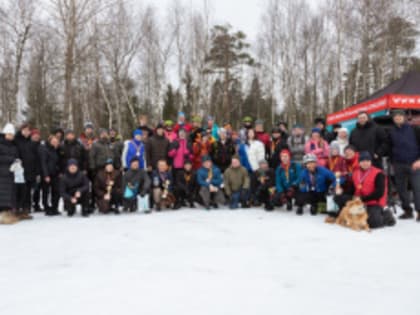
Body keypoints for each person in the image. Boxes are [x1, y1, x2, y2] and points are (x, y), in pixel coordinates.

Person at [333, 152, 396, 228]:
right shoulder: (356, 172)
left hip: (373, 201)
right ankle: (347, 214)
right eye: (363, 161)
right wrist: (342, 190)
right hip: (358, 200)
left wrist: (363, 199)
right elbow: (352, 188)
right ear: (359, 162)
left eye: (367, 161)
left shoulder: (378, 173)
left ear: (371, 162)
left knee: (374, 223)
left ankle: (387, 215)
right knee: (338, 197)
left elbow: (379, 193)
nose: (365, 163)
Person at [388, 110, 420, 221]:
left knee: (417, 188)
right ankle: (407, 211)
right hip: (398, 164)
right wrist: (392, 161)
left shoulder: (415, 129)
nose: (397, 118)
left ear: (404, 117)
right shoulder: (391, 131)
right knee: (401, 189)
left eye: (399, 116)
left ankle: (419, 212)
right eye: (395, 116)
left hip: (414, 163)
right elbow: (390, 147)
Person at [14, 124, 39, 215]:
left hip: (30, 171)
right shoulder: (16, 140)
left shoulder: (31, 142)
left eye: (28, 130)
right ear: (21, 130)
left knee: (27, 191)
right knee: (19, 190)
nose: (26, 132)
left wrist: (36, 171)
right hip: (19, 170)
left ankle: (26, 208)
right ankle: (17, 208)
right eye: (24, 130)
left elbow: (35, 157)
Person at [39, 135, 61, 216]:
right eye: (53, 141)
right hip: (47, 174)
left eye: (56, 142)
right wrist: (46, 175)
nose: (55, 143)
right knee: (46, 192)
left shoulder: (57, 150)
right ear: (50, 141)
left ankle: (54, 207)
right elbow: (43, 163)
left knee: (56, 191)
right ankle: (46, 207)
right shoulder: (45, 149)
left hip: (55, 174)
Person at [0, 123, 19, 213]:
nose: (10, 136)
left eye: (12, 135)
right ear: (5, 134)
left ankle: (8, 208)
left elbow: (16, 156)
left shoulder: (14, 146)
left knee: (10, 191)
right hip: (2, 172)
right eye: (9, 134)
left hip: (11, 171)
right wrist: (11, 159)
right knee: (2, 190)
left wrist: (17, 161)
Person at [30, 129, 43, 212]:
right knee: (29, 190)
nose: (36, 136)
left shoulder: (41, 145)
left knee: (37, 189)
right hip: (31, 170)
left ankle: (36, 205)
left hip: (40, 170)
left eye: (37, 135)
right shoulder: (29, 144)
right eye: (34, 135)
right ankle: (28, 205)